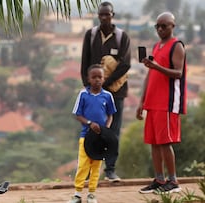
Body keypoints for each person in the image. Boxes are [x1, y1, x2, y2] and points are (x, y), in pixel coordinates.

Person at [136, 12, 187, 194]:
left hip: (167, 102)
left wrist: (155, 66)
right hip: (153, 101)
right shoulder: (157, 46)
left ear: (173, 26)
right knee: (154, 142)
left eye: (164, 26)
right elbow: (150, 75)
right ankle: (159, 179)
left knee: (165, 142)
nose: (160, 29)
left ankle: (173, 181)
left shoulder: (177, 46)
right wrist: (141, 101)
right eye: (157, 26)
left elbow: (178, 73)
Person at [80, 1, 131, 182]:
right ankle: (87, 171)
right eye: (101, 15)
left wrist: (105, 84)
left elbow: (125, 64)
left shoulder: (121, 37)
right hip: (94, 95)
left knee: (112, 132)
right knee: (90, 130)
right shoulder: (91, 35)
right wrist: (88, 88)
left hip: (115, 94)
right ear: (98, 16)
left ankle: (110, 170)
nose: (104, 18)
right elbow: (84, 63)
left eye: (107, 15)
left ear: (112, 15)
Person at [69, 64, 117, 203]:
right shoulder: (83, 94)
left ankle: (91, 193)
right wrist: (90, 123)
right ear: (88, 79)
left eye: (100, 77)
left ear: (104, 78)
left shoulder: (107, 96)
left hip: (100, 140)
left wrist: (105, 130)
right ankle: (77, 193)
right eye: (94, 77)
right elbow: (77, 115)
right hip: (86, 137)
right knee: (83, 165)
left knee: (96, 167)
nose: (97, 80)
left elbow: (110, 115)